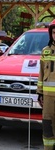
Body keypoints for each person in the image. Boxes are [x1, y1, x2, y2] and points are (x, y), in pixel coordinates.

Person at [37, 19, 55, 150]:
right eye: (54, 32)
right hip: (48, 97)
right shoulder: (45, 51)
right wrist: (40, 93)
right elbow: (41, 74)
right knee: (47, 125)